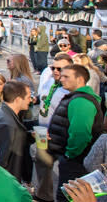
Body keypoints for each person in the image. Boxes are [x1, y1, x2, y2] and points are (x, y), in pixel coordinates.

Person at [47, 64, 103, 202]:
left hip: (76, 162)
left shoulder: (81, 101)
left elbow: (80, 134)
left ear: (80, 80)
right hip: (74, 159)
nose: (61, 79)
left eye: (66, 76)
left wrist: (69, 154)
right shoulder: (77, 98)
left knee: (67, 197)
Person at [33, 53, 73, 202]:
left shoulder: (70, 90)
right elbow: (43, 99)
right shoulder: (49, 81)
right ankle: (41, 195)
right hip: (42, 131)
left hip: (57, 136)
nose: (55, 71)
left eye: (60, 68)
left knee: (55, 170)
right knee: (41, 164)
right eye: (53, 67)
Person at [0, 80, 33, 183]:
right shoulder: (8, 125)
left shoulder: (1, 113)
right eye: (28, 97)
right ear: (17, 100)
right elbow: (1, 161)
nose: (30, 100)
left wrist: (30, 136)